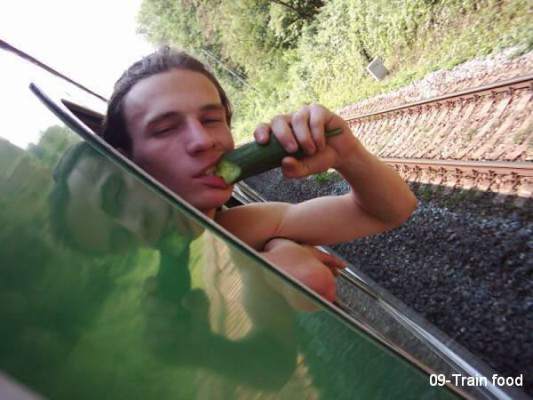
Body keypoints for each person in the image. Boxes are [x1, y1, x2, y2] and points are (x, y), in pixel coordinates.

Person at [101, 47, 417, 303]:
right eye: (165, 129)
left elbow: (389, 211)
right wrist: (276, 256)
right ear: (126, 160)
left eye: (211, 120)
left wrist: (348, 153)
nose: (203, 140)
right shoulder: (108, 253)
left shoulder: (244, 226)